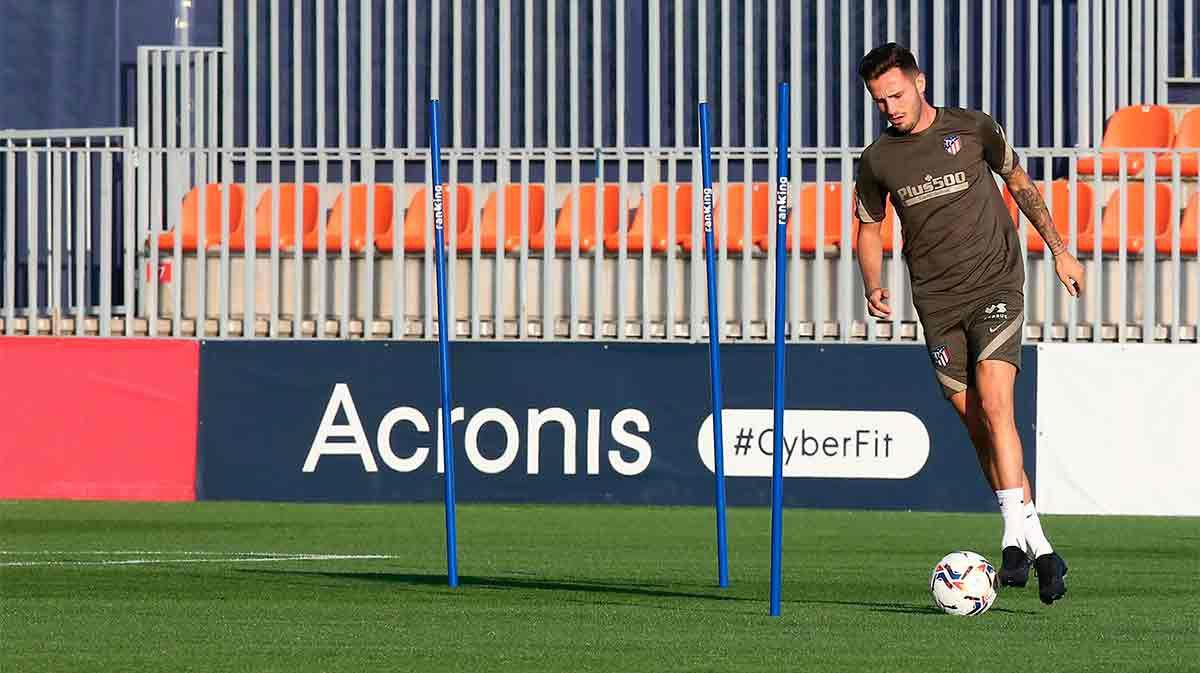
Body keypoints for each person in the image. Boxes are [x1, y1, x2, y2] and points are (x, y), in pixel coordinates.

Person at [853, 43, 1083, 605]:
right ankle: (1041, 545)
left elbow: (1021, 184)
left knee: (997, 402)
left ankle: (1010, 537)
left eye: (897, 95)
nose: (891, 107)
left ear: (920, 82)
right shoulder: (878, 160)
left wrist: (1059, 249)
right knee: (979, 425)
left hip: (996, 285)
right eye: (880, 100)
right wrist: (871, 282)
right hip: (936, 304)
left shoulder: (973, 128)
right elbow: (869, 227)